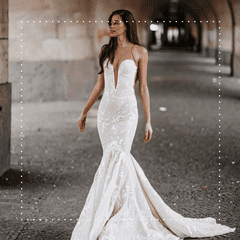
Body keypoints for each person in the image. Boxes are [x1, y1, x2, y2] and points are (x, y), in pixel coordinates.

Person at [71, 9, 235, 240]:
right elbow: (99, 86)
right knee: (110, 158)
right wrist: (85, 111)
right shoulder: (105, 50)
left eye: (116, 22)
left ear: (127, 25)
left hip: (127, 113)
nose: (112, 26)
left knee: (120, 157)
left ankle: (123, 213)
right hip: (107, 113)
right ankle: (110, 211)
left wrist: (148, 120)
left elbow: (143, 87)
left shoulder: (140, 52)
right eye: (111, 23)